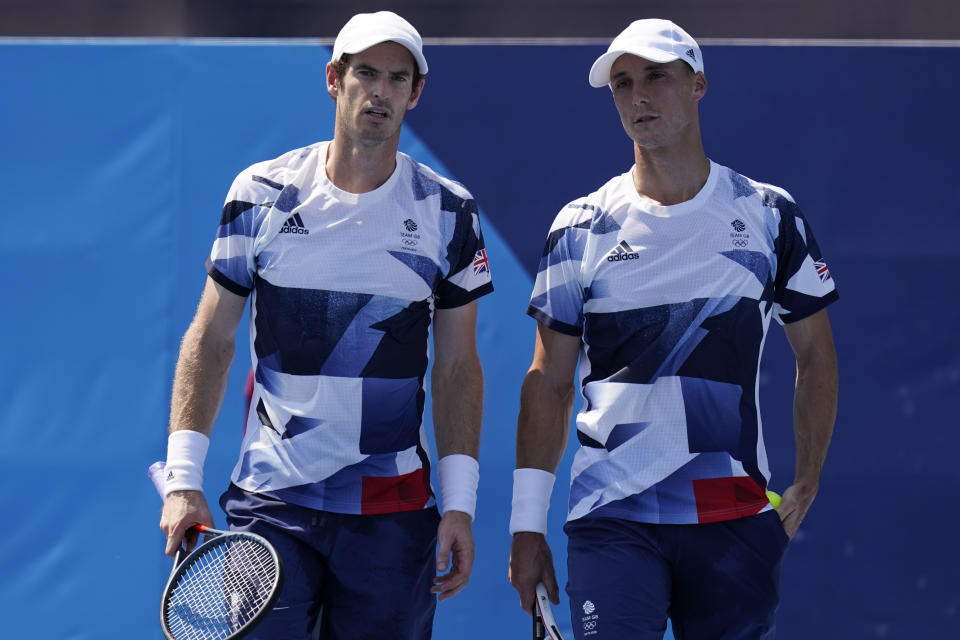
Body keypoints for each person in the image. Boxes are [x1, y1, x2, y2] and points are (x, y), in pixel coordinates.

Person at [158, 11, 493, 639]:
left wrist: (462, 505)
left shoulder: (450, 212)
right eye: (366, 73)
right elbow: (210, 339)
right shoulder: (259, 194)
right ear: (334, 79)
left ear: (415, 93)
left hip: (393, 515)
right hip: (273, 508)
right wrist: (182, 478)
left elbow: (456, 367)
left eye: (398, 79)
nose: (381, 92)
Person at [508, 18, 838, 640]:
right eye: (623, 83)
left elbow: (815, 354)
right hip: (612, 518)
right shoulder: (580, 225)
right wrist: (527, 526)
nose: (638, 96)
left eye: (656, 77)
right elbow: (547, 381)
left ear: (698, 86)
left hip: (735, 519)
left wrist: (809, 479)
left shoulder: (768, 214)